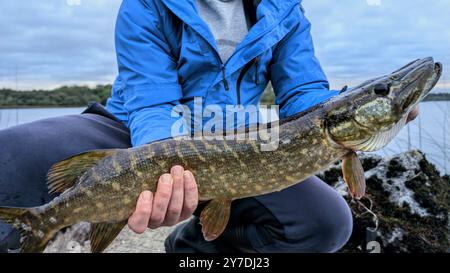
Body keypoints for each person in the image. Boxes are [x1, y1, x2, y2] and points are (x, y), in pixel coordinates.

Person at [0, 0, 419, 253]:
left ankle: (192, 249)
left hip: (235, 142)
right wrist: (165, 176)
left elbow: (305, 94)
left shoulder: (284, 8)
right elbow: (151, 101)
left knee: (328, 224)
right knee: (11, 153)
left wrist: (363, 111)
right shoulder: (147, 3)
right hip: (133, 130)